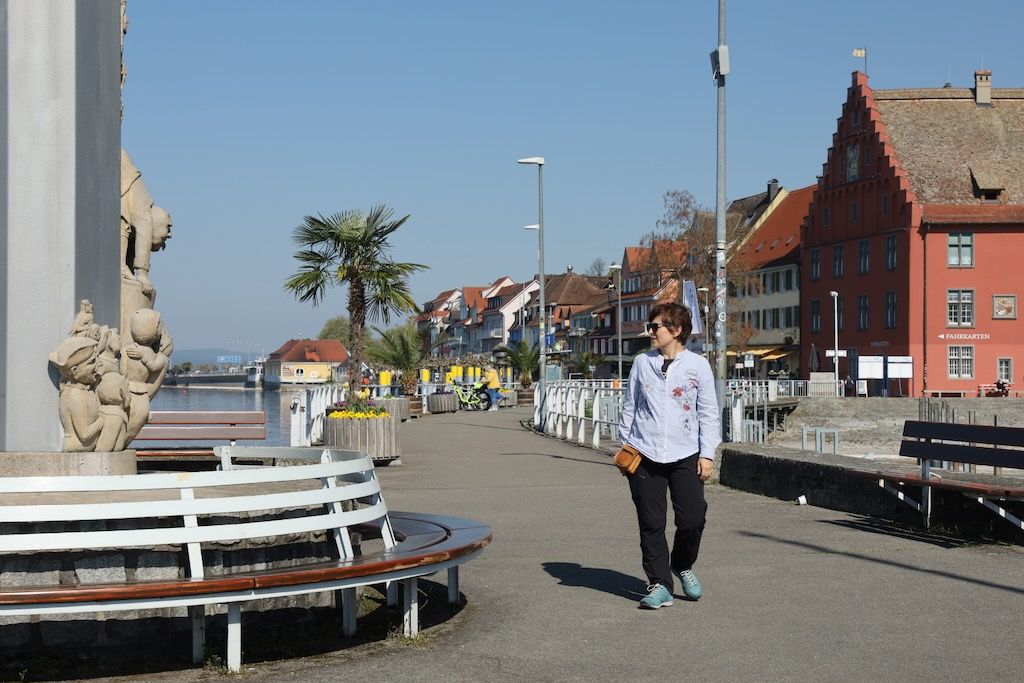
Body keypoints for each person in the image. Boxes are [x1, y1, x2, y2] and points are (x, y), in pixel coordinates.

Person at [619, 302, 721, 609]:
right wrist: (625, 448)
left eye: (655, 327)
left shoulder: (697, 366)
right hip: (644, 452)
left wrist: (707, 454)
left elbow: (709, 413)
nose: (650, 332)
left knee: (692, 518)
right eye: (650, 327)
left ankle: (682, 564)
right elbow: (629, 406)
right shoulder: (641, 363)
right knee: (651, 522)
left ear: (675, 330)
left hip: (685, 453)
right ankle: (659, 583)